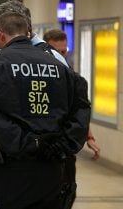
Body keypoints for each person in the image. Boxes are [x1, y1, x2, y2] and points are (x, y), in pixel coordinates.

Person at [0, 12, 91, 209]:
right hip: (53, 167)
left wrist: (25, 142)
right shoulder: (59, 66)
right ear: (28, 33)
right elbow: (81, 107)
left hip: (13, 168)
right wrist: (63, 144)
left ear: (0, 35)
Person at [43, 28, 101, 209]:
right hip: (44, 145)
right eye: (56, 51)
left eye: (64, 51)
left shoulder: (72, 77)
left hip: (65, 147)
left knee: (68, 191)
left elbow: (80, 109)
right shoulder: (41, 73)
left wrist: (88, 136)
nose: (61, 55)